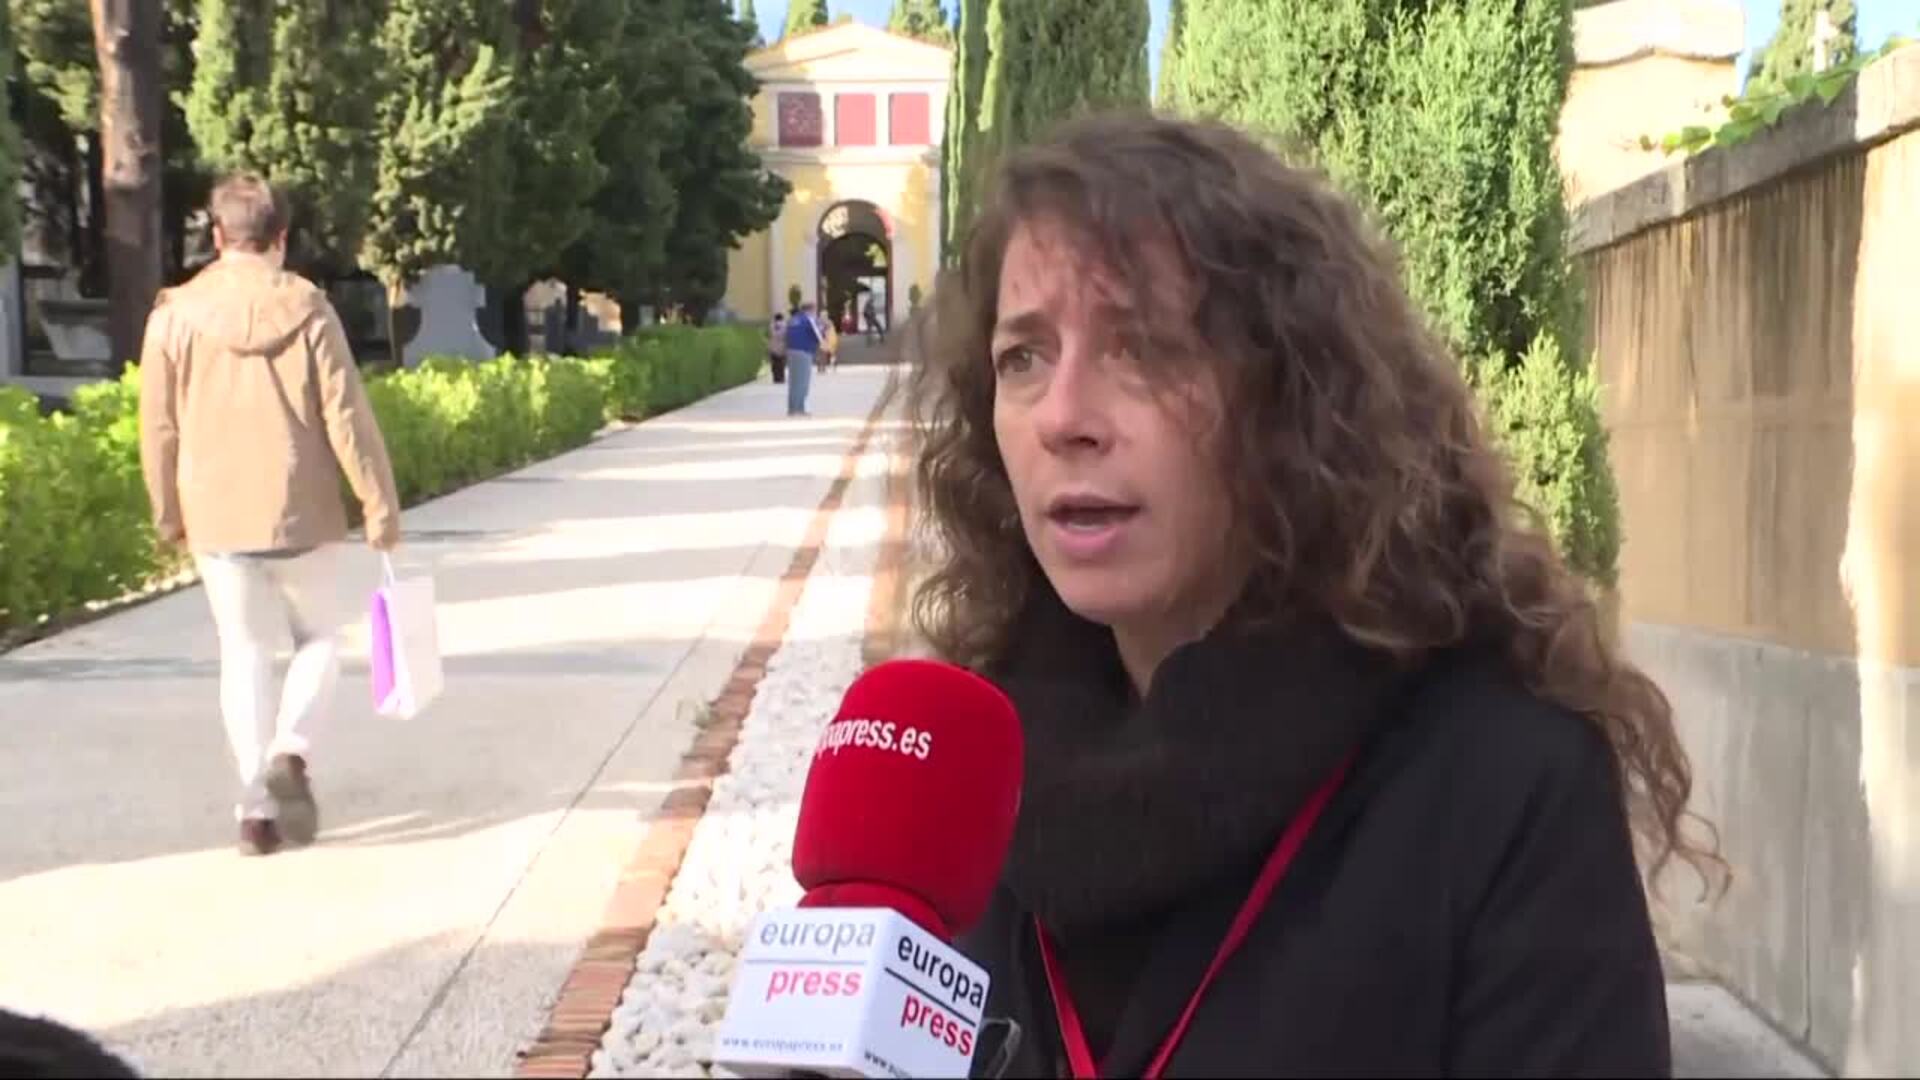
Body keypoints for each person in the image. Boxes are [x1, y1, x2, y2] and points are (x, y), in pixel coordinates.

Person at [909, 112, 1719, 1076]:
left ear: (1288, 400)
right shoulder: (970, 777)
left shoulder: (1500, 784)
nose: (1063, 417)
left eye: (1144, 348)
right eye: (1023, 358)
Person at [140, 173, 401, 858]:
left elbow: (158, 426)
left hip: (216, 515)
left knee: (244, 652)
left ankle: (255, 813)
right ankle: (292, 747)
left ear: (219, 237)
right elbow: (348, 415)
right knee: (317, 639)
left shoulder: (173, 313)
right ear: (281, 238)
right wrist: (379, 503)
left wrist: (167, 511)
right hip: (302, 510)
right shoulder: (309, 309)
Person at [782, 300, 823, 416]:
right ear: (811, 309)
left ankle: (792, 408)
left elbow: (786, 335)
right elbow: (818, 336)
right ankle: (799, 409)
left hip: (791, 351)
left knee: (793, 381)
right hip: (803, 352)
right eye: (815, 310)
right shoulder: (808, 319)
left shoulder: (792, 320)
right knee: (802, 382)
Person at [768, 311, 789, 384]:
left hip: (773, 346)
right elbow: (786, 336)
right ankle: (781, 378)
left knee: (774, 364)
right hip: (782, 346)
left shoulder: (771, 325)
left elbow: (769, 335)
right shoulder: (785, 325)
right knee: (781, 363)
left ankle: (775, 378)